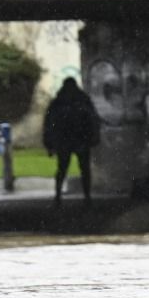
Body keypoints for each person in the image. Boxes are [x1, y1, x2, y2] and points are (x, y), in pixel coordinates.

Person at [41, 77, 102, 208]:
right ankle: (87, 197)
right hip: (81, 139)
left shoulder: (58, 102)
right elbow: (93, 120)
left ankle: (58, 197)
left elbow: (49, 123)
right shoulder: (83, 101)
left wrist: (49, 143)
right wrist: (93, 137)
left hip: (65, 141)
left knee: (62, 169)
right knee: (84, 170)